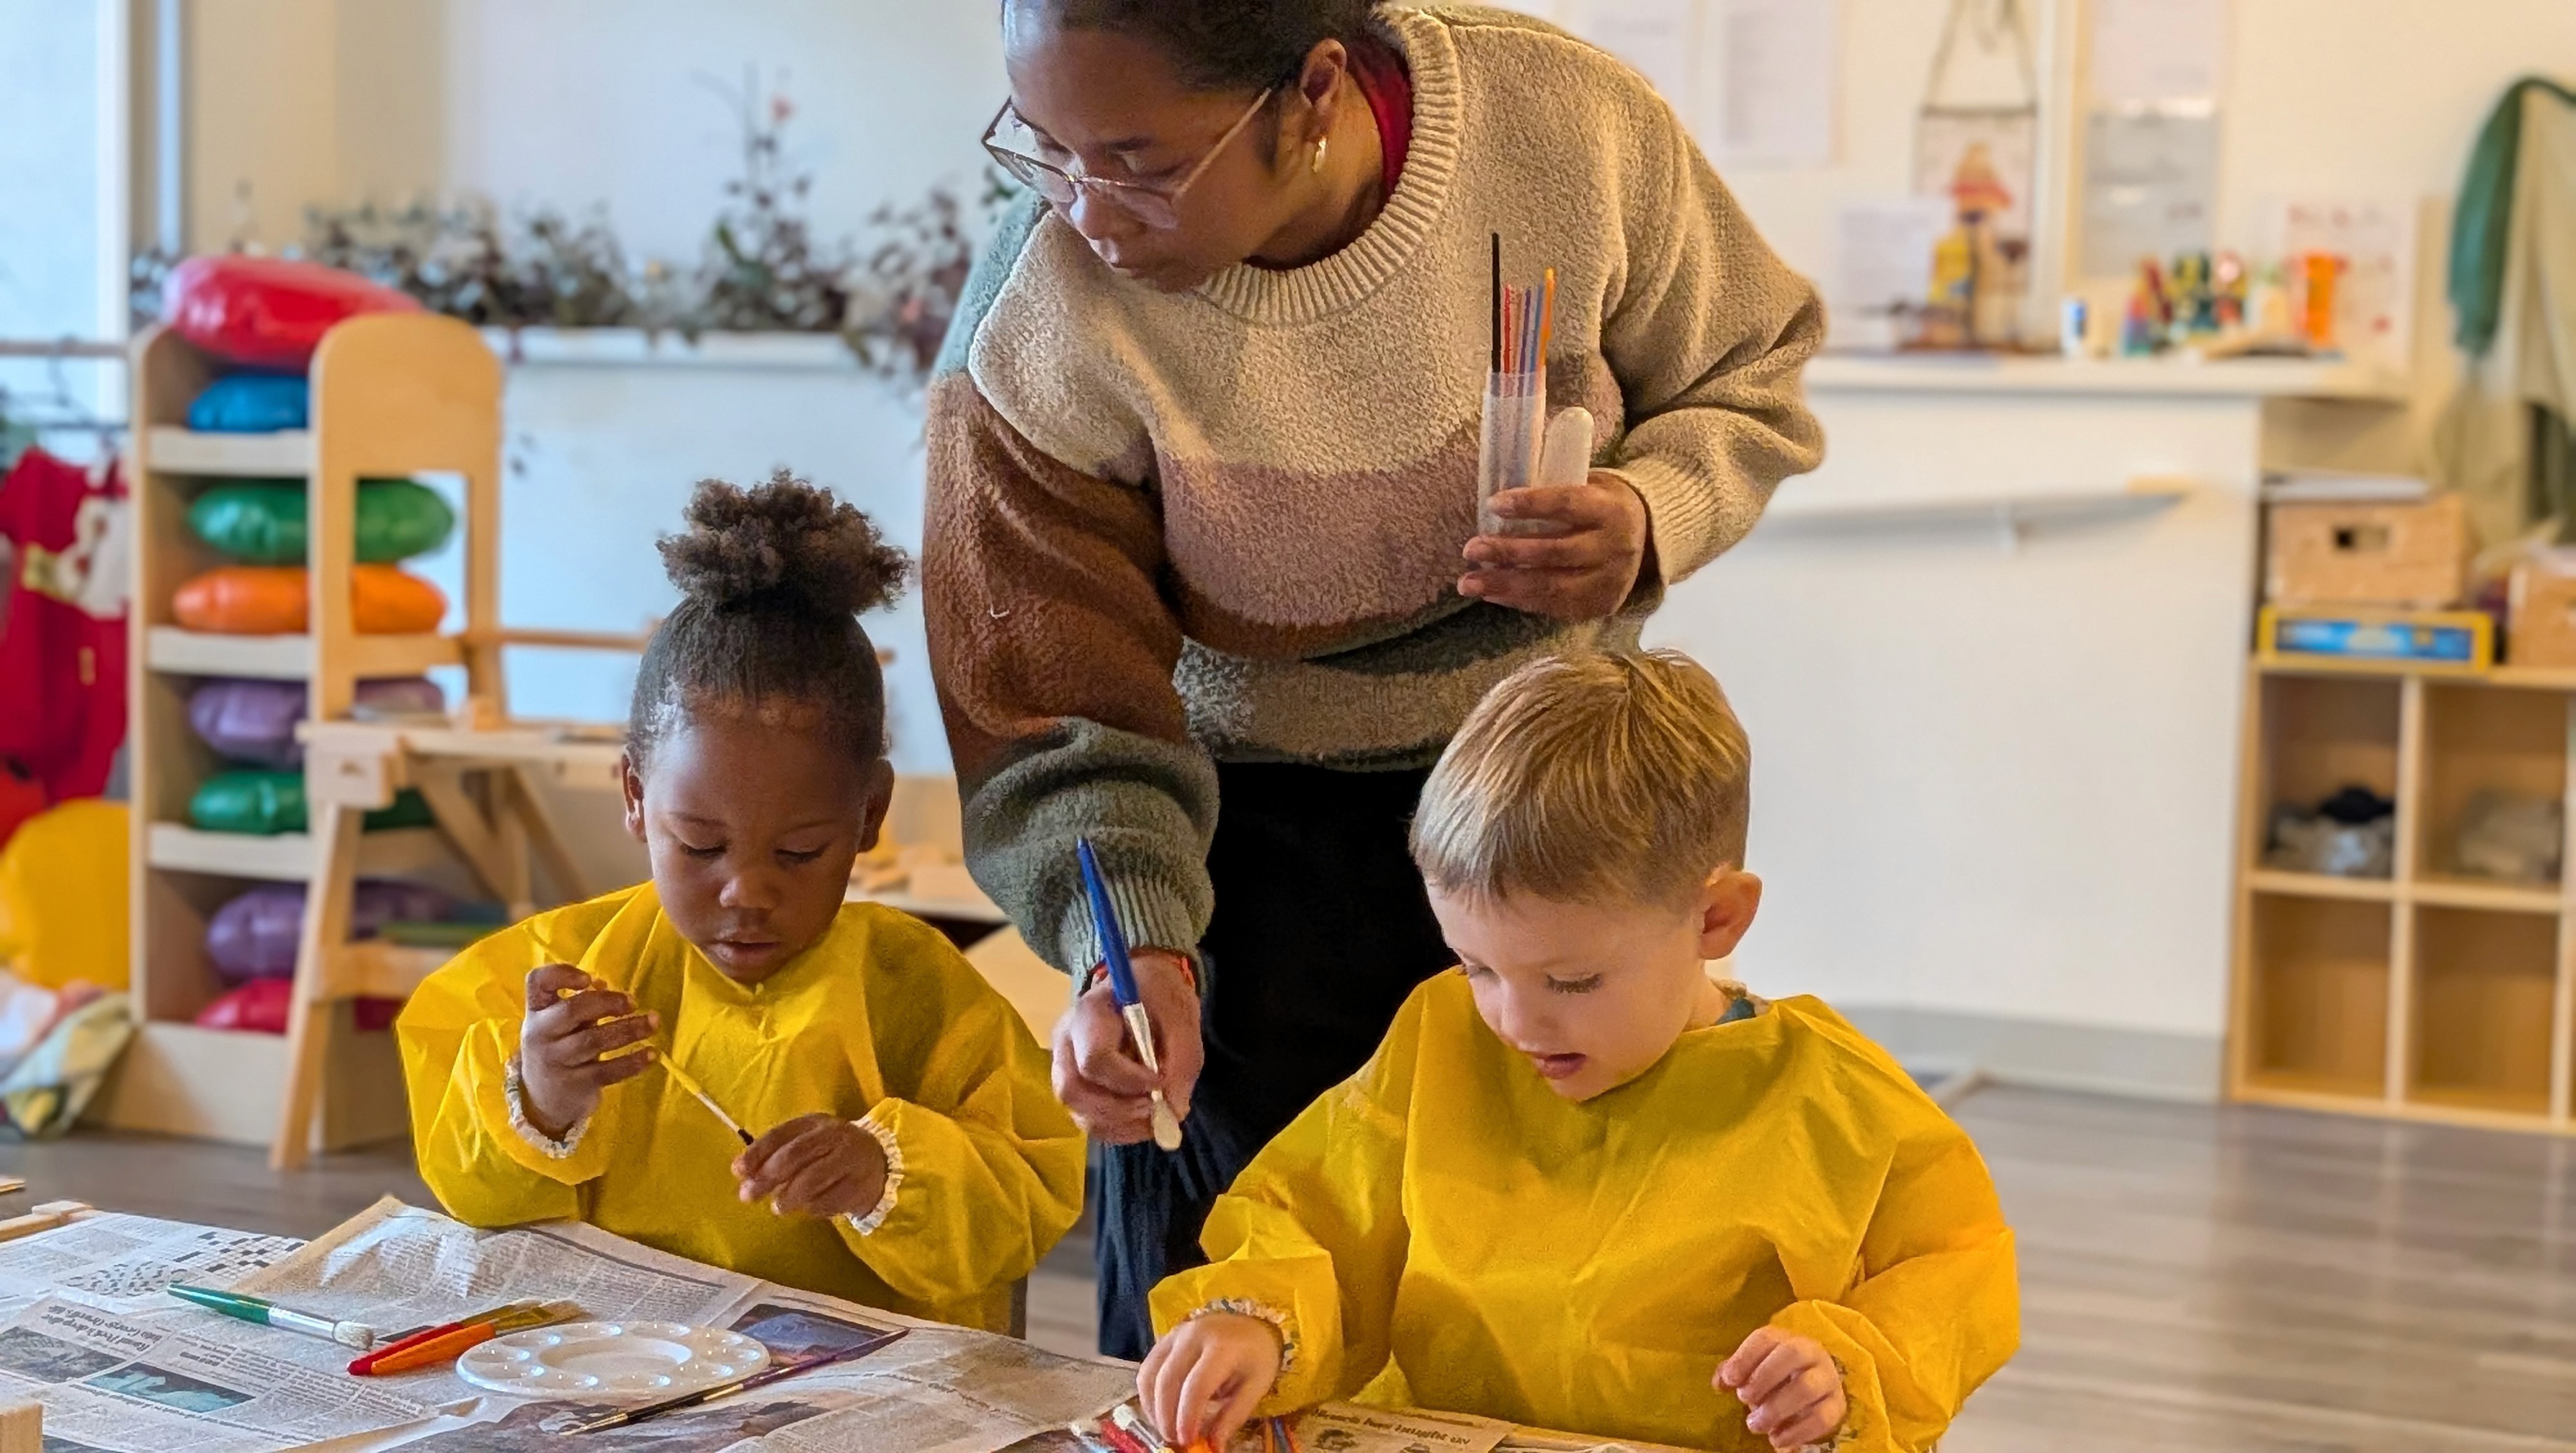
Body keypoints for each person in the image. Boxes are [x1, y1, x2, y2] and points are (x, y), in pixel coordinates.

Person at [925, 0, 1824, 1355]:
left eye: (1138, 161)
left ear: (1315, 93)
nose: (1086, 213)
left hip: (1533, 819)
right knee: (1216, 1308)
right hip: (1231, 839)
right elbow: (1051, 690)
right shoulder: (1042, 308)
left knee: (1516, 1303)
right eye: (1041, 149)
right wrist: (1130, 944)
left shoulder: (1568, 131)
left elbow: (1748, 372)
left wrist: (1646, 515)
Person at [1135, 651, 2020, 1452]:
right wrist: (1257, 1320)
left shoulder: (1834, 1098)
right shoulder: (1441, 1038)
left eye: (1571, 982)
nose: (1515, 1024)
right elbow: (1316, 1215)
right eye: (1477, 965)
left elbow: (1955, 1275)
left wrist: (1841, 1372)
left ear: (1715, 919)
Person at [399, 473, 1085, 1334]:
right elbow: (471, 1194)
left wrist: (881, 1175)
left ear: (870, 814)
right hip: (623, 1376)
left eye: (799, 853)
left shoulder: (921, 994)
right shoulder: (556, 976)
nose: (747, 892)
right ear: (636, 796)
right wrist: (540, 1097)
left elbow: (1022, 1202)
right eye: (700, 846)